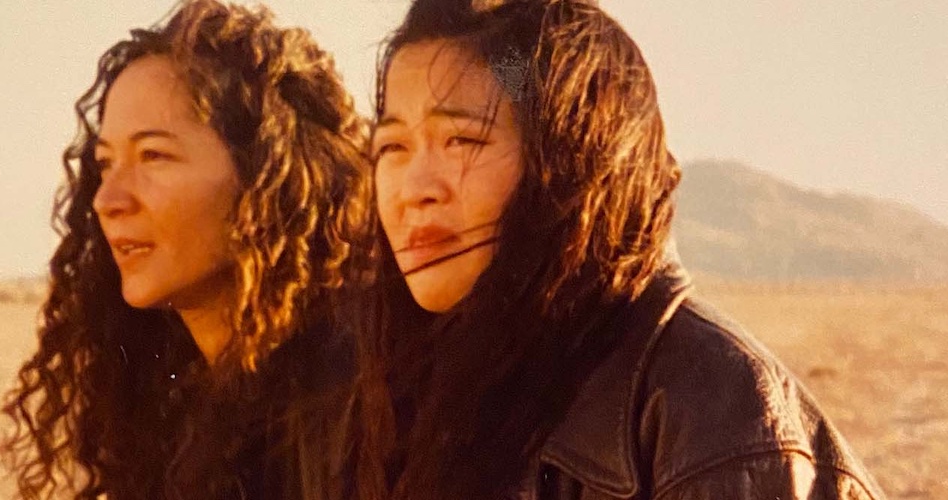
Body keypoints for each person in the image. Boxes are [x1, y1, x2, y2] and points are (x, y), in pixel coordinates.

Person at [347, 0, 887, 498]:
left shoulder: (714, 419)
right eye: (392, 146)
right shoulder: (398, 390)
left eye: (461, 140)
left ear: (562, 162)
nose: (415, 188)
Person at [0, 1, 368, 498]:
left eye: (154, 156)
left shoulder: (356, 404)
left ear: (266, 178)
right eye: (105, 164)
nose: (108, 200)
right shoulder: (168, 403)